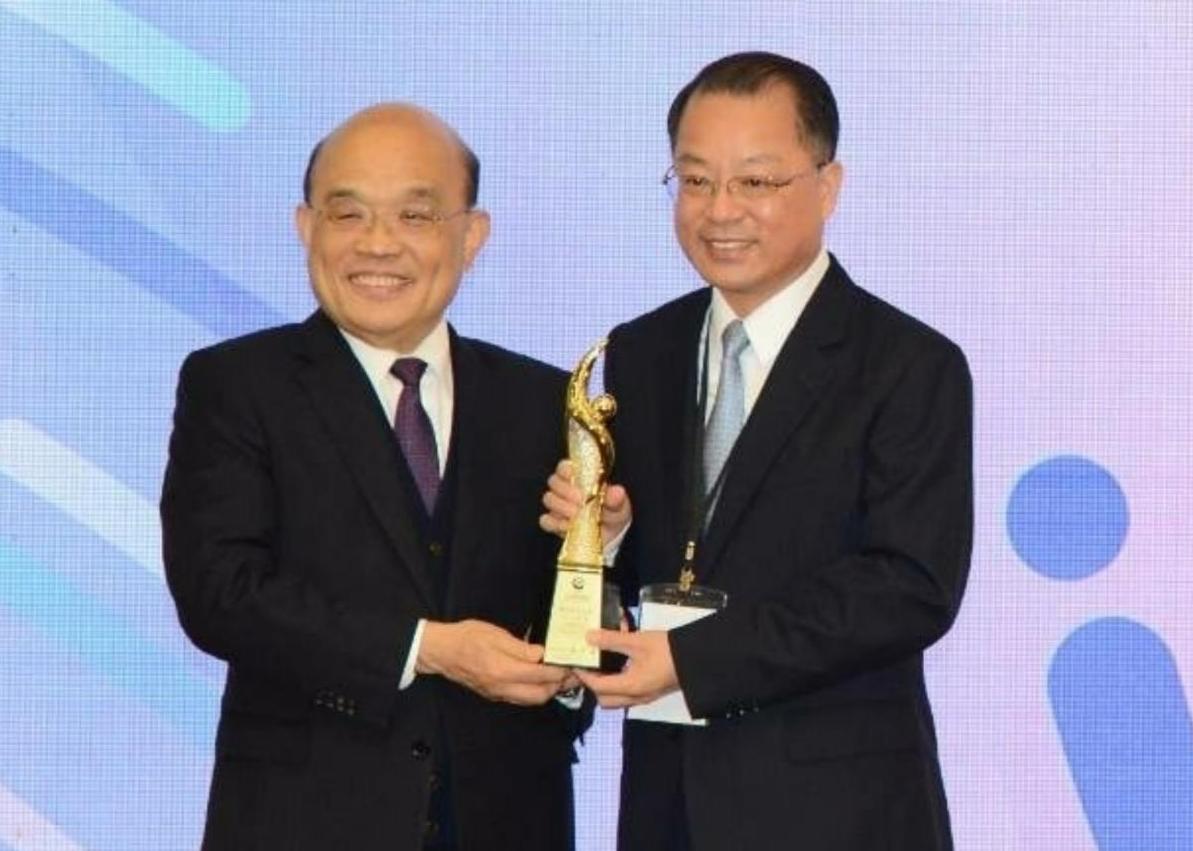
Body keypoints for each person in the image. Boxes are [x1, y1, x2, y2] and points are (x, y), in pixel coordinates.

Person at [542, 52, 973, 850]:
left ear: (827, 186)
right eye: (694, 180)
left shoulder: (907, 364)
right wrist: (611, 538)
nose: (719, 210)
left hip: (839, 810)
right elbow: (654, 578)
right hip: (669, 803)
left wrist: (694, 660)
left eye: (755, 181)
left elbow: (908, 585)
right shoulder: (642, 350)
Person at [162, 103, 586, 851]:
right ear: (306, 227)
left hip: (507, 817)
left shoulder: (545, 401)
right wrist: (428, 647)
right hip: (304, 822)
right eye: (347, 213)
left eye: (414, 215)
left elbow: (581, 617)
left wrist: (581, 644)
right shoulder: (237, 384)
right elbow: (220, 592)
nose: (378, 243)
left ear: (472, 235)